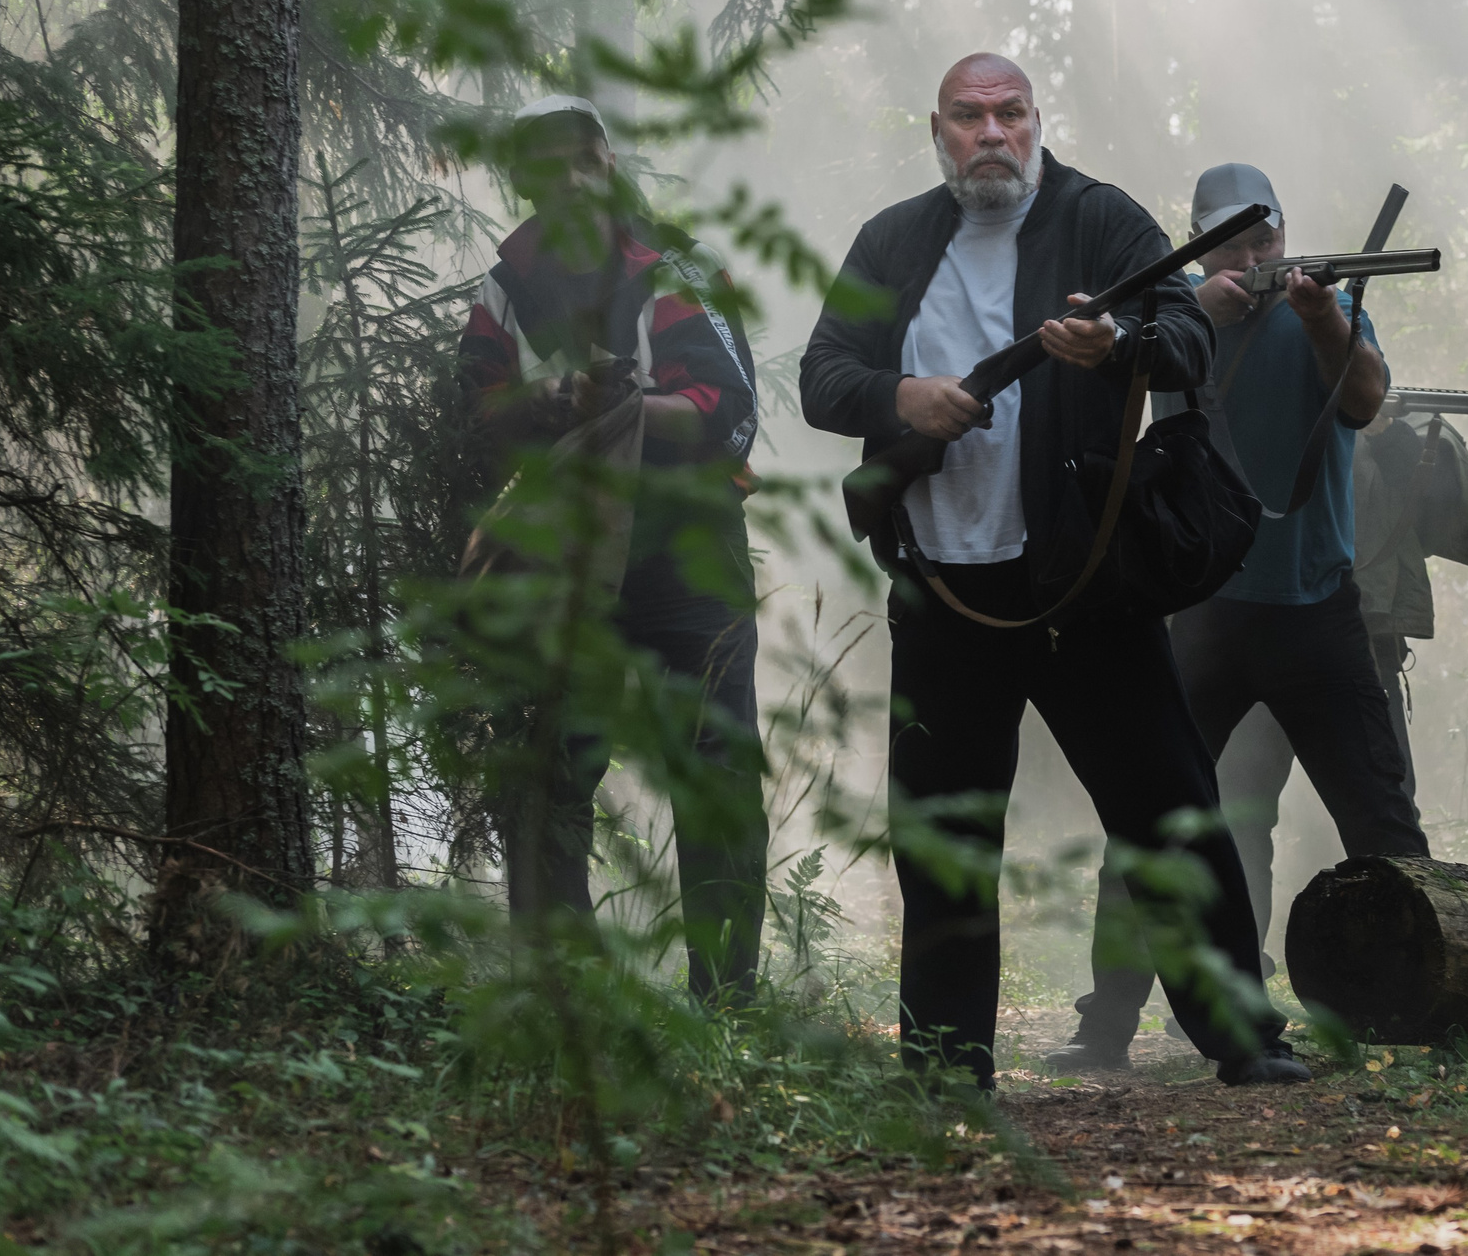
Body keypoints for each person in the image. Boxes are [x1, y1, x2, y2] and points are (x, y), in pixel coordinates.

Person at [799, 54, 1307, 1092]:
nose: (991, 132)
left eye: (1010, 113)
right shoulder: (889, 240)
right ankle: (945, 1063)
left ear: (1037, 121)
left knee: (1168, 807)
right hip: (941, 589)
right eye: (968, 115)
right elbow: (823, 374)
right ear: (937, 129)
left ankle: (1244, 1038)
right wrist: (904, 399)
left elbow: (1186, 341)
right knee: (942, 833)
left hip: (1084, 583)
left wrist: (1115, 339)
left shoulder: (1102, 219)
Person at [1047, 161, 1431, 1072]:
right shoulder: (1173, 313)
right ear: (1204, 247)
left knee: (1382, 819)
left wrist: (1319, 315)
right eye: (1236, 242)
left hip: (1317, 610)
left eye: (1267, 238)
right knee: (1150, 822)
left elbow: (1368, 400)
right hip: (1203, 612)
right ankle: (1107, 1024)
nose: (1258, 254)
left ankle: (1428, 1007)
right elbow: (1114, 396)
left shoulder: (1325, 311)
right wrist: (1203, 315)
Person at [459, 94, 769, 1001]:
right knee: (551, 767)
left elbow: (728, 409)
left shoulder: (672, 264)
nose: (564, 183)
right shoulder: (508, 283)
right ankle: (569, 993)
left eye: (579, 161)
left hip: (686, 557)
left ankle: (728, 997)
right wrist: (546, 406)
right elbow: (475, 401)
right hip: (564, 561)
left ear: (606, 161)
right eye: (542, 167)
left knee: (713, 769)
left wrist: (624, 407)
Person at [1201, 400, 1468, 958]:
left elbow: (1465, 523)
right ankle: (1234, 977)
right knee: (1240, 814)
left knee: (1383, 817)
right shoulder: (1251, 409)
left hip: (1359, 647)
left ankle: (1408, 972)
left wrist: (1387, 431)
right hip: (1249, 637)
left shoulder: (1402, 427)